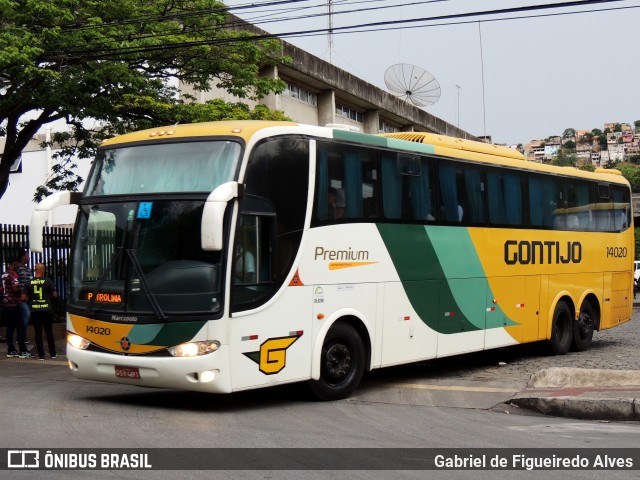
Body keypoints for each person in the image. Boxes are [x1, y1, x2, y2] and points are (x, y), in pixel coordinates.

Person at [21, 263, 58, 360]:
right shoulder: (48, 281)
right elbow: (55, 295)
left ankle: (41, 355)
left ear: (35, 270)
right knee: (49, 332)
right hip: (46, 309)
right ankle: (53, 353)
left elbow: (23, 297)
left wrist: (32, 298)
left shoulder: (29, 283)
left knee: (38, 332)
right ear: (43, 271)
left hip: (35, 310)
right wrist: (47, 298)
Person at [1, 260, 31, 358]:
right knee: (20, 327)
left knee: (10, 328)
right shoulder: (13, 275)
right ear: (13, 264)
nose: (19, 266)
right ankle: (23, 350)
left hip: (5, 304)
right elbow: (15, 288)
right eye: (17, 264)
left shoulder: (3, 275)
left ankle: (11, 350)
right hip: (14, 304)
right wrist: (22, 289)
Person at [16, 250, 32, 342]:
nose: (29, 257)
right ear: (22, 257)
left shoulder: (27, 269)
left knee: (25, 316)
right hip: (20, 297)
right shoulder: (17, 268)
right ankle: (20, 337)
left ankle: (22, 337)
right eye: (27, 255)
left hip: (28, 297)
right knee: (26, 315)